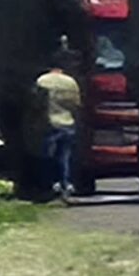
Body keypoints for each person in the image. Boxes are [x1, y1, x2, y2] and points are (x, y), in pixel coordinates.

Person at [35, 55, 82, 201]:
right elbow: (76, 104)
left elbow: (36, 103)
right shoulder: (70, 82)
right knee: (64, 156)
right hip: (67, 122)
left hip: (48, 122)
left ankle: (49, 185)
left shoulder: (42, 81)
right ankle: (65, 183)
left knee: (47, 156)